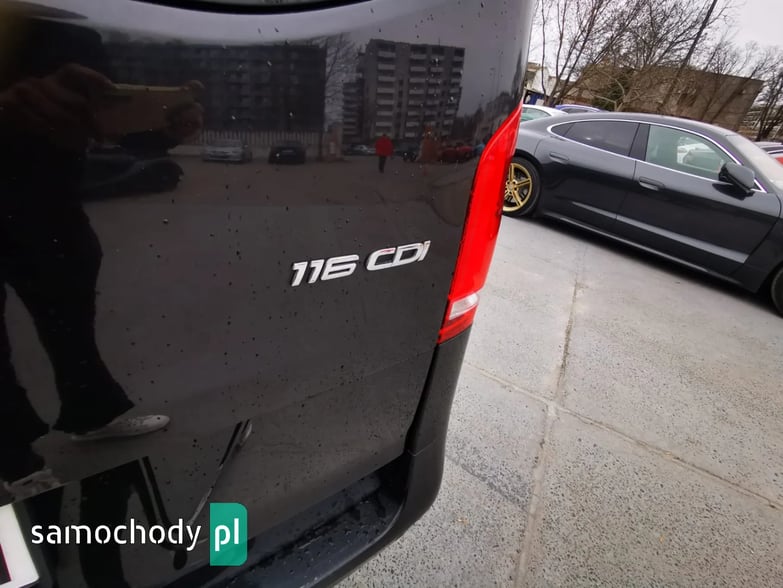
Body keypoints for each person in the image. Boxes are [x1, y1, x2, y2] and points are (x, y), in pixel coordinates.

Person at [0, 14, 202, 500]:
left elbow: (110, 123)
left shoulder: (72, 30)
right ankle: (14, 460)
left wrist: (167, 128)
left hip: (48, 203)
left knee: (70, 315)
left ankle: (90, 412)